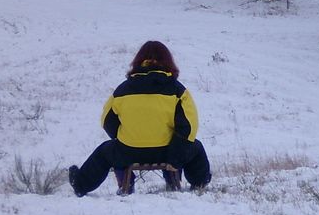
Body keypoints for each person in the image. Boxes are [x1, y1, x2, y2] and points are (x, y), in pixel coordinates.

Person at [68, 41, 211, 196]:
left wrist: (122, 137)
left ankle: (81, 184)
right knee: (196, 147)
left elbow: (107, 121)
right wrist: (176, 156)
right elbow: (188, 126)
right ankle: (199, 183)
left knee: (104, 152)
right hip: (167, 151)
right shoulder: (178, 90)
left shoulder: (122, 90)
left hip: (128, 151)